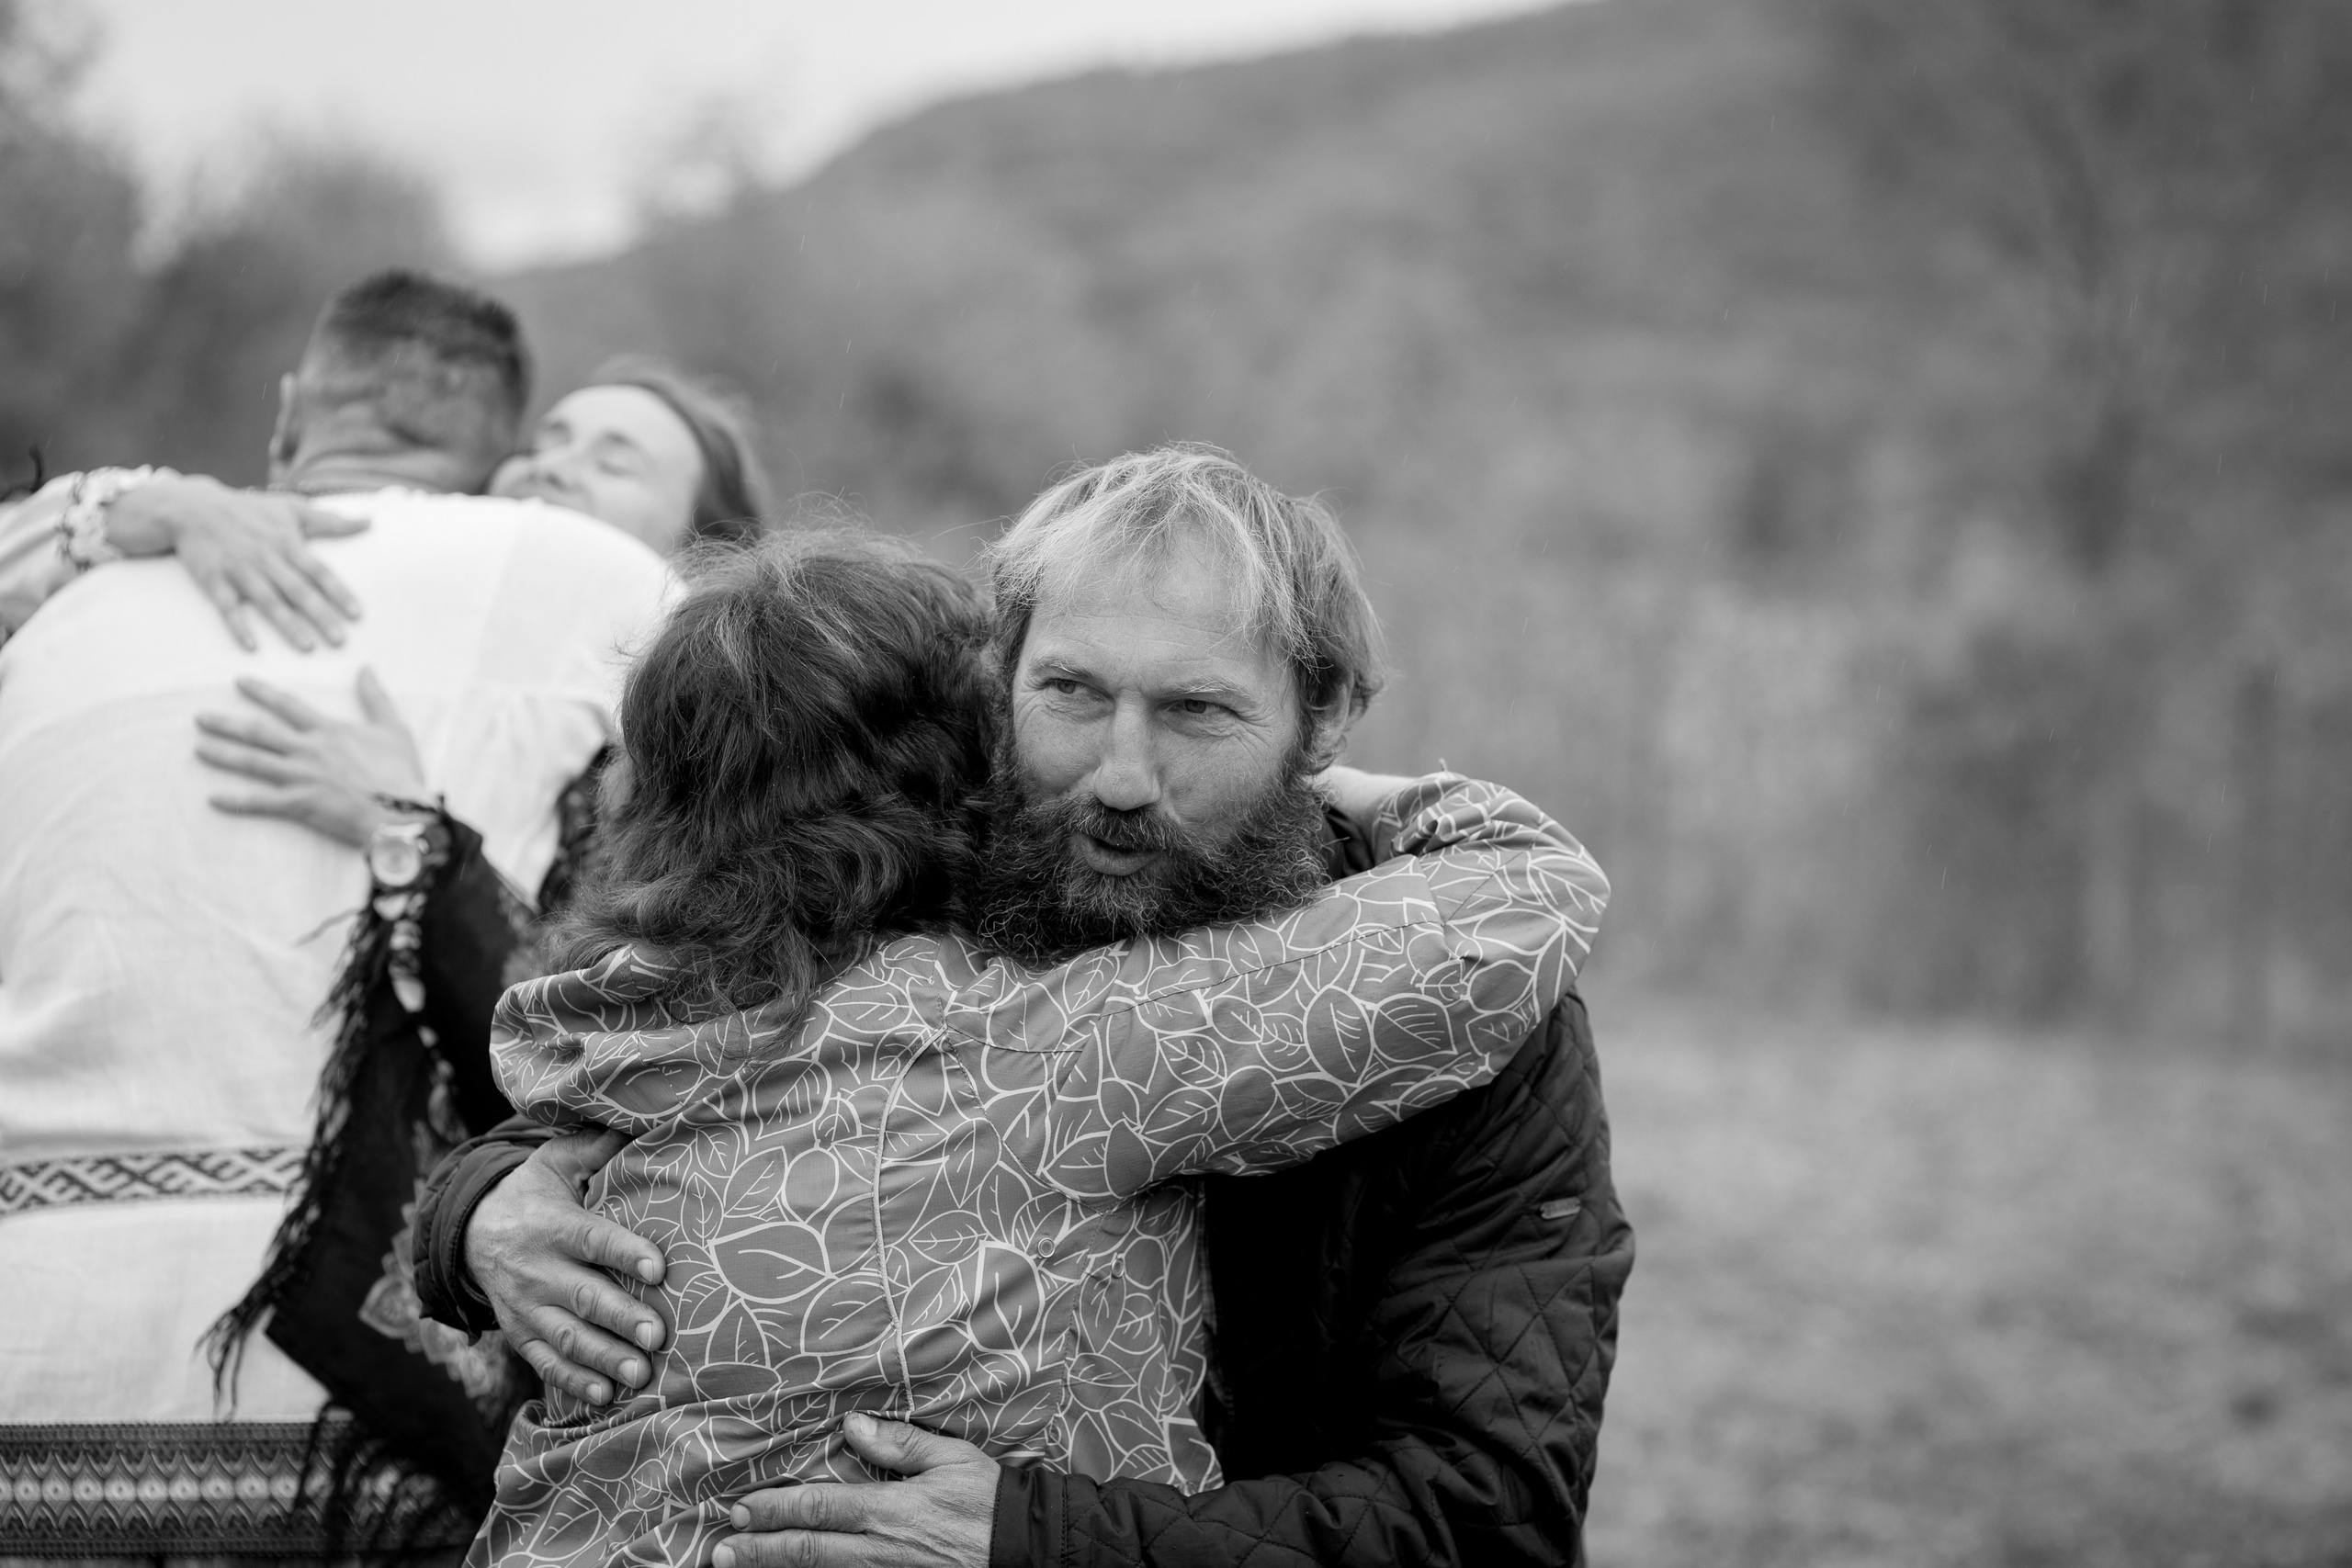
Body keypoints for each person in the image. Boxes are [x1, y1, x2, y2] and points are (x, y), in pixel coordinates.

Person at [415, 446, 1635, 1568]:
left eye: (1196, 711)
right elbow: (706, 1087)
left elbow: (1487, 1518)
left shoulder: (1480, 1020)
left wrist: (1038, 1541)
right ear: (996, 686)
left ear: (1322, 719)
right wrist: (483, 1210)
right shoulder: (922, 897)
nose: (1119, 777)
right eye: (1071, 693)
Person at [0, 270, 673, 1560]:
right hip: (370, 1407)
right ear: (507, 449)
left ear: (292, 408)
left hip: (36, 1367)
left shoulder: (61, 616)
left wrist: (115, 505)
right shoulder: (597, 583)